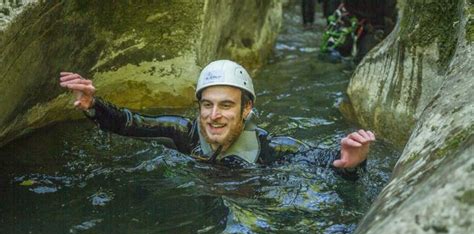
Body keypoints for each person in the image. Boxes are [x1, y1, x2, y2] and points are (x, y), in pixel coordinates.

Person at [59, 60, 375, 176]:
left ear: (246, 109)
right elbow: (130, 123)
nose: (214, 116)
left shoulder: (270, 148)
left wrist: (350, 162)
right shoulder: (183, 132)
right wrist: (92, 104)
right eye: (207, 105)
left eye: (226, 105)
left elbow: (320, 160)